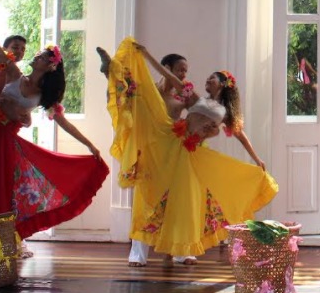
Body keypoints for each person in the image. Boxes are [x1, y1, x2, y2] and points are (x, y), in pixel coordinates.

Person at [0, 1, 108, 257]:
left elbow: (64, 123)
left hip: (6, 144)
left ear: (50, 66)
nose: (36, 55)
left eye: (43, 56)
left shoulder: (44, 97)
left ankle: (2, 239)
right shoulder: (14, 73)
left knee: (2, 189)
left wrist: (90, 145)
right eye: (37, 53)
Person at [105, 38, 277, 264]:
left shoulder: (224, 112)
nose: (207, 79)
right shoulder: (192, 96)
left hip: (193, 154)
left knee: (185, 201)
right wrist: (146, 55)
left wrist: (256, 158)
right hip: (173, 146)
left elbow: (240, 135)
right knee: (151, 193)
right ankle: (139, 253)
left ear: (223, 85)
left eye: (212, 78)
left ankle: (182, 250)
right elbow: (169, 78)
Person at [98, 46, 199, 266]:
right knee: (146, 200)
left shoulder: (184, 95)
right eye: (180, 69)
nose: (183, 74)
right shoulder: (147, 92)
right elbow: (126, 103)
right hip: (152, 152)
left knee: (177, 199)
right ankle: (138, 254)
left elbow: (198, 109)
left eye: (185, 71)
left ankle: (182, 251)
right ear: (167, 68)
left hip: (175, 152)